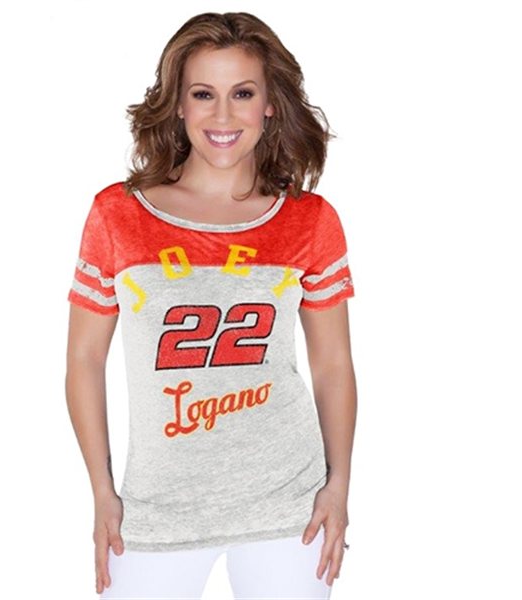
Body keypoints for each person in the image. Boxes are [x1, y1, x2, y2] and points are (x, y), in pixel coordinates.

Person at [65, 11, 357, 600]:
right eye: (203, 94)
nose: (223, 116)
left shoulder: (309, 220)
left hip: (290, 510)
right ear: (178, 104)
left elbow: (332, 365)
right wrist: (102, 493)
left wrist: (338, 487)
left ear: (269, 104)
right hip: (155, 511)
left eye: (242, 94)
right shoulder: (118, 215)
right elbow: (83, 362)